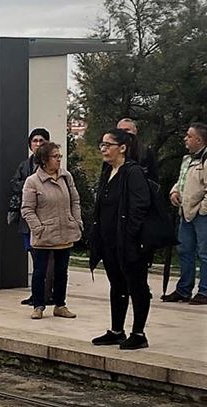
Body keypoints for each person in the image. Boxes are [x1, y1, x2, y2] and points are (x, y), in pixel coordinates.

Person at [89, 128, 152, 350]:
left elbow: (139, 206)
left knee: (137, 286)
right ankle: (117, 330)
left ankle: (139, 333)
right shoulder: (107, 170)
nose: (103, 149)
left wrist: (130, 235)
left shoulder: (132, 172)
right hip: (109, 241)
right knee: (117, 285)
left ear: (122, 148)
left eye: (108, 145)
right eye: (102, 145)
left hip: (129, 242)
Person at [21, 142, 82, 319]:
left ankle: (60, 304)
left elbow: (75, 201)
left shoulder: (66, 177)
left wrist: (76, 221)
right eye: (55, 157)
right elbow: (27, 209)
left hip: (65, 232)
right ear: (44, 160)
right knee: (40, 272)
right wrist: (38, 228)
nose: (58, 160)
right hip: (44, 235)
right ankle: (38, 305)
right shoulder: (32, 181)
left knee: (62, 272)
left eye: (59, 156)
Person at [9, 128, 54, 306]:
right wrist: (30, 186)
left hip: (45, 218)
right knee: (35, 256)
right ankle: (37, 293)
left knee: (48, 258)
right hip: (27, 218)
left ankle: (47, 293)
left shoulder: (51, 165)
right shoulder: (24, 165)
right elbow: (14, 183)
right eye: (34, 141)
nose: (37, 144)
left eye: (41, 141)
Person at [164, 122, 207, 305]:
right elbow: (181, 180)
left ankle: (205, 291)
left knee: (204, 253)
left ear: (198, 139)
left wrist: (203, 209)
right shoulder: (187, 159)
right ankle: (183, 290)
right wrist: (174, 192)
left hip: (201, 214)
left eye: (189, 136)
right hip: (185, 212)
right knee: (184, 250)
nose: (185, 139)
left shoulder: (205, 160)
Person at [117, 118, 159, 182]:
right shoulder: (112, 151)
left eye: (127, 130)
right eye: (121, 130)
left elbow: (153, 177)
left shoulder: (146, 151)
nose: (124, 133)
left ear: (135, 131)